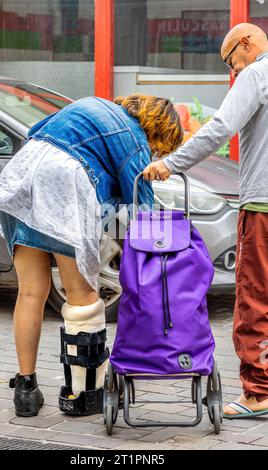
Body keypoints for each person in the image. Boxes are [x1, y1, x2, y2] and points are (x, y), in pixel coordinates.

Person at [0, 94, 183, 417]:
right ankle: (84, 393)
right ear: (158, 130)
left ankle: (26, 388)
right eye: (161, 146)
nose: (157, 153)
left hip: (22, 176)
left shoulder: (88, 104)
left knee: (31, 292)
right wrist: (169, 249)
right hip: (63, 186)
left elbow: (37, 129)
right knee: (83, 298)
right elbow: (141, 204)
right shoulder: (133, 138)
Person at [143, 23, 268, 419]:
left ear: (246, 44)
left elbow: (219, 128)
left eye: (231, 63)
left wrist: (170, 163)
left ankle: (259, 392)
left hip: (263, 205)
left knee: (254, 298)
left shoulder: (257, 74)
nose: (234, 73)